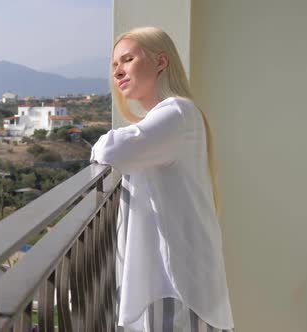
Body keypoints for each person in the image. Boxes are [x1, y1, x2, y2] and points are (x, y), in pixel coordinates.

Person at [90, 27, 234, 332]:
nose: (118, 72)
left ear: (160, 62)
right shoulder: (173, 117)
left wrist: (100, 143)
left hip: (175, 283)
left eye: (127, 59)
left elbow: (113, 150)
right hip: (176, 279)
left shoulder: (176, 113)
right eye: (114, 65)